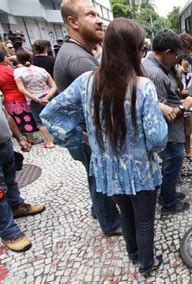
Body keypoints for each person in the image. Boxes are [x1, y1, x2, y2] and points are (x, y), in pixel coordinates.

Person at [41, 18, 167, 276]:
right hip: (140, 170)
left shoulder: (86, 81)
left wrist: (79, 137)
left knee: (126, 215)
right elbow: (157, 140)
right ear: (133, 50)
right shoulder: (143, 87)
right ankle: (147, 263)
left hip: (106, 168)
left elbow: (50, 115)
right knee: (144, 220)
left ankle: (133, 253)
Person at [53, 0, 121, 236]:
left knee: (95, 176)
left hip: (84, 133)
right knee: (99, 178)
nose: (99, 19)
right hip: (87, 136)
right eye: (91, 14)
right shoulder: (79, 60)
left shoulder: (78, 52)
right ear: (73, 22)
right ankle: (110, 223)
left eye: (98, 13)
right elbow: (107, 104)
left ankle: (99, 210)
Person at [0, 77, 45, 253]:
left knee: (10, 182)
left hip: (4, 145)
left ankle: (16, 206)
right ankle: (9, 232)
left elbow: (3, 112)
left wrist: (19, 137)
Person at [142, 29, 192, 214]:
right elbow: (165, 113)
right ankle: (169, 204)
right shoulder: (156, 74)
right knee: (172, 166)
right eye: (176, 55)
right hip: (170, 134)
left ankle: (167, 193)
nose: (178, 59)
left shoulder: (153, 65)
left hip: (172, 132)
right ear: (167, 53)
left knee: (170, 168)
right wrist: (185, 105)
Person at [0, 49, 40, 144]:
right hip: (19, 97)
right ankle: (31, 139)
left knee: (16, 118)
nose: (8, 58)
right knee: (26, 118)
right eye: (6, 56)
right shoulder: (9, 70)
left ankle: (21, 136)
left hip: (7, 98)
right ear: (2, 59)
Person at [14, 50, 57, 148]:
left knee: (39, 121)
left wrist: (38, 100)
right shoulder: (41, 70)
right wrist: (46, 97)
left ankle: (49, 142)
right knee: (52, 118)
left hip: (33, 99)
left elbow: (21, 89)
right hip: (47, 96)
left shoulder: (18, 72)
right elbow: (54, 86)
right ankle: (57, 138)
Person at [178, 33, 192, 162]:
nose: (188, 55)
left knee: (188, 129)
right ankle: (180, 157)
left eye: (190, 52)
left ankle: (188, 150)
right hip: (178, 101)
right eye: (186, 52)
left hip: (189, 100)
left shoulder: (191, 60)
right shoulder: (173, 61)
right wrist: (181, 68)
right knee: (178, 131)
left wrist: (190, 91)